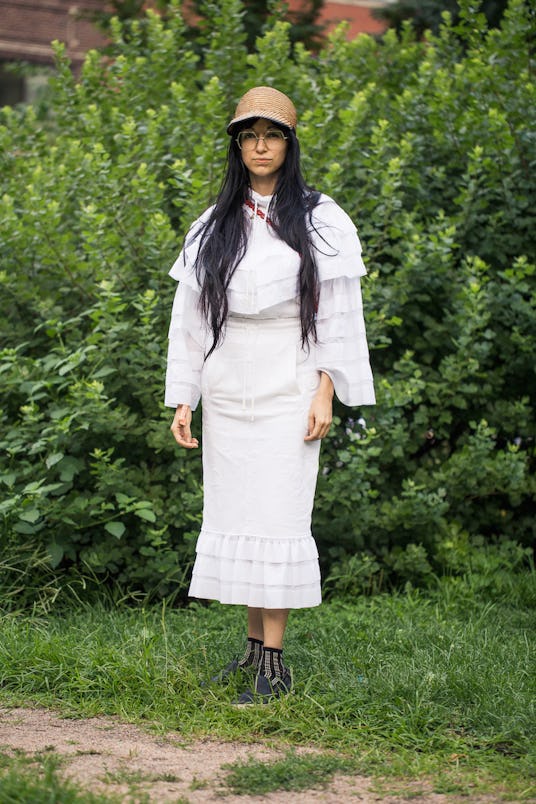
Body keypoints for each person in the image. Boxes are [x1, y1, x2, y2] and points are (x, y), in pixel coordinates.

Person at [165, 86, 375, 705]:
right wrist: (184, 396)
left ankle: (276, 665)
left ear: (289, 143)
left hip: (291, 377)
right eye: (250, 135)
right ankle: (254, 651)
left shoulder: (319, 217)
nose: (261, 145)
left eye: (273, 135)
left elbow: (336, 311)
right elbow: (191, 317)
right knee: (239, 516)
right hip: (229, 383)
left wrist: (325, 389)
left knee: (280, 516)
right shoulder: (215, 221)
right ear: (238, 145)